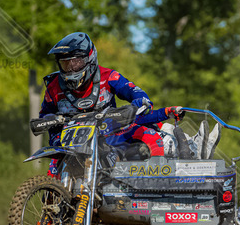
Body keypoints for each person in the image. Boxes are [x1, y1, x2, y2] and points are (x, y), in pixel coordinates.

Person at [39, 32, 184, 177]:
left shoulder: (108, 76)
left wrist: (140, 100)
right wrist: (53, 133)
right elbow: (45, 115)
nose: (70, 69)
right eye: (65, 64)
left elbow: (131, 90)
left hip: (109, 133)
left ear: (89, 59)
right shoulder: (53, 87)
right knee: (51, 176)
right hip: (71, 140)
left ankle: (157, 181)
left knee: (149, 136)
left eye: (76, 63)